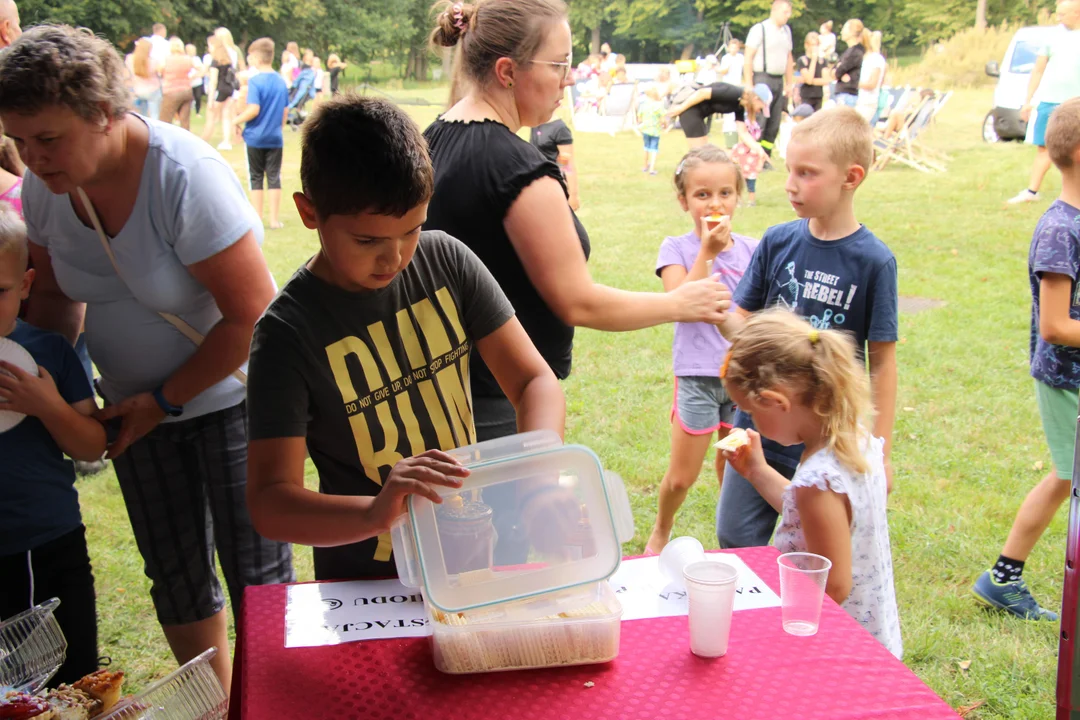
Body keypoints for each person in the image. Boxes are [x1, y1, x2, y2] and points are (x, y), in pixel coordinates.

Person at [0, 24, 294, 691]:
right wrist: (60, 397)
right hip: (131, 410)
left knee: (256, 570)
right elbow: (51, 305)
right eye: (18, 139)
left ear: (105, 114)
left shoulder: (183, 176)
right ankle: (217, 704)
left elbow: (253, 317)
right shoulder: (48, 187)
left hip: (228, 401)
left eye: (48, 138)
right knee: (175, 570)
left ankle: (269, 701)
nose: (32, 158)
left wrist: (164, 400)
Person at [245, 94, 566, 580]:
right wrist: (377, 513)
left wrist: (539, 482)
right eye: (367, 240)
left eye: (412, 229)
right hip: (367, 580)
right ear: (310, 212)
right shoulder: (287, 333)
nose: (394, 258)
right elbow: (271, 502)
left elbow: (532, 382)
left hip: (471, 557)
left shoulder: (446, 262)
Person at [424, 0, 729, 467]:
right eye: (559, 64)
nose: (569, 79)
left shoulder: (433, 137)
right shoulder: (518, 169)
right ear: (507, 71)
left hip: (433, 392)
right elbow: (576, 300)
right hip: (496, 404)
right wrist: (677, 303)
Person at [714, 107, 898, 549]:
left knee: (820, 549)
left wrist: (882, 450)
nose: (790, 184)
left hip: (826, 433)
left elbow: (883, 362)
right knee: (735, 534)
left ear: (850, 178)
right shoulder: (778, 240)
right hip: (761, 418)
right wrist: (720, 314)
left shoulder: (874, 262)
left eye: (807, 173)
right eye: (789, 169)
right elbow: (743, 328)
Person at [720, 309, 902, 659]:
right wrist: (757, 471)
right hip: (872, 635)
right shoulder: (855, 441)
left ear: (776, 402)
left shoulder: (816, 483)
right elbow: (805, 517)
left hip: (836, 645)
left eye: (751, 411)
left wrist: (772, 623)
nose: (749, 421)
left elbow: (834, 585)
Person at [973, 99, 1080, 620]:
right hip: (1066, 378)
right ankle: (1003, 577)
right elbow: (1057, 326)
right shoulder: (1061, 230)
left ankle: (1002, 576)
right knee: (1066, 476)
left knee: (1066, 477)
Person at [0, 211, 107, 685]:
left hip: (48, 538)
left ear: (25, 285)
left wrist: (47, 405)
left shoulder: (49, 351)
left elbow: (92, 445)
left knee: (73, 677)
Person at [645, 146, 758, 554]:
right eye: (702, 194)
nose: (715, 203)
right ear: (684, 200)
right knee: (681, 477)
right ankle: (662, 527)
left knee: (735, 466)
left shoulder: (754, 250)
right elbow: (680, 303)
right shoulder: (676, 249)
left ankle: (733, 535)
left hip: (743, 379)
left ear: (738, 196)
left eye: (725, 193)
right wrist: (707, 253)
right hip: (697, 378)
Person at [1006, 0, 1080, 205]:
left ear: (1077, 13)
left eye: (1063, 14)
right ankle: (1031, 191)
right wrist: (1028, 100)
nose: (1058, 19)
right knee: (1044, 148)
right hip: (1051, 101)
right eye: (1057, 14)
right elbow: (1038, 70)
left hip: (1077, 103)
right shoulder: (1051, 37)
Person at [235, 38, 289, 231]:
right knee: (274, 176)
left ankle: (257, 217)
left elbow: (253, 109)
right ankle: (274, 220)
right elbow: (285, 111)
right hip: (275, 137)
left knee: (256, 176)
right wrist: (278, 128)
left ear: (257, 57)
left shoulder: (255, 82)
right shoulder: (281, 82)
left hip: (255, 137)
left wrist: (236, 120)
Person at [743, 0, 794, 158]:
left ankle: (766, 155)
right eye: (785, 12)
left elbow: (788, 58)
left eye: (789, 12)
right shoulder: (760, 29)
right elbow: (748, 57)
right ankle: (753, 154)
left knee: (774, 121)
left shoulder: (786, 31)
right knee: (760, 119)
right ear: (775, 11)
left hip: (779, 80)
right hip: (762, 78)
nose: (788, 16)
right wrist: (749, 84)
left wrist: (790, 83)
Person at [665, 81, 770, 152]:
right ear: (756, 98)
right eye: (761, 108)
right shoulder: (735, 93)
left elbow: (743, 132)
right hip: (690, 111)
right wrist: (681, 108)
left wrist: (759, 150)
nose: (759, 112)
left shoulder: (740, 106)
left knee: (703, 153)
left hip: (699, 115)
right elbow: (702, 93)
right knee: (699, 155)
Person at [529, 114, 579, 210]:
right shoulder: (535, 124)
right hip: (537, 183)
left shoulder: (559, 129)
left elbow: (566, 161)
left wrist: (573, 195)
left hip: (554, 184)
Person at [202, 34, 238, 150]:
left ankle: (204, 140)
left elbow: (213, 81)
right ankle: (227, 141)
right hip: (229, 89)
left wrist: (210, 99)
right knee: (226, 116)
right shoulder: (228, 61)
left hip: (220, 90)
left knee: (211, 117)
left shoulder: (215, 62)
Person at [833, 19, 870, 108]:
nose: (841, 31)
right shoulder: (849, 52)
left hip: (848, 95)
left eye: (844, 29)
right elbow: (833, 71)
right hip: (844, 94)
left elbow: (837, 72)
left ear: (851, 32)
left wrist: (838, 72)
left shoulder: (855, 52)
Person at [160, 37, 194, 130]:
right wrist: (192, 77)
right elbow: (201, 68)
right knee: (185, 120)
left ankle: (164, 139)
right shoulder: (187, 59)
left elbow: (159, 71)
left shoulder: (166, 59)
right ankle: (187, 139)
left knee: (165, 119)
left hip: (171, 91)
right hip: (187, 90)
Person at [127, 38, 162, 120]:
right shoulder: (154, 61)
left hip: (138, 90)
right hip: (153, 90)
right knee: (155, 115)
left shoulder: (129, 59)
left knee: (142, 116)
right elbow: (159, 73)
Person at [856, 30, 887, 125]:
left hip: (867, 102)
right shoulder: (864, 58)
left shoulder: (875, 59)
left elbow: (873, 84)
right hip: (860, 100)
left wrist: (852, 84)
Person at [797, 32, 829, 112]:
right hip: (806, 96)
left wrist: (811, 81)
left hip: (818, 95)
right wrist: (814, 60)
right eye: (812, 45)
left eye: (816, 45)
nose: (815, 48)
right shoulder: (803, 61)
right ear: (806, 45)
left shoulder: (823, 61)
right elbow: (809, 78)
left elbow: (825, 80)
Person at [638, 85, 666, 175]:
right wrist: (664, 125)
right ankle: (652, 169)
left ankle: (645, 166)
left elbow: (639, 119)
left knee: (646, 148)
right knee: (654, 149)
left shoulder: (643, 105)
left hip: (645, 129)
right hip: (655, 131)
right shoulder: (659, 106)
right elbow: (662, 119)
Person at [187, 43, 207, 116]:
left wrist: (196, 76)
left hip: (197, 81)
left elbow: (201, 69)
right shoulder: (185, 58)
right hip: (188, 82)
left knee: (198, 97)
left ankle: (197, 112)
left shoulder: (197, 59)